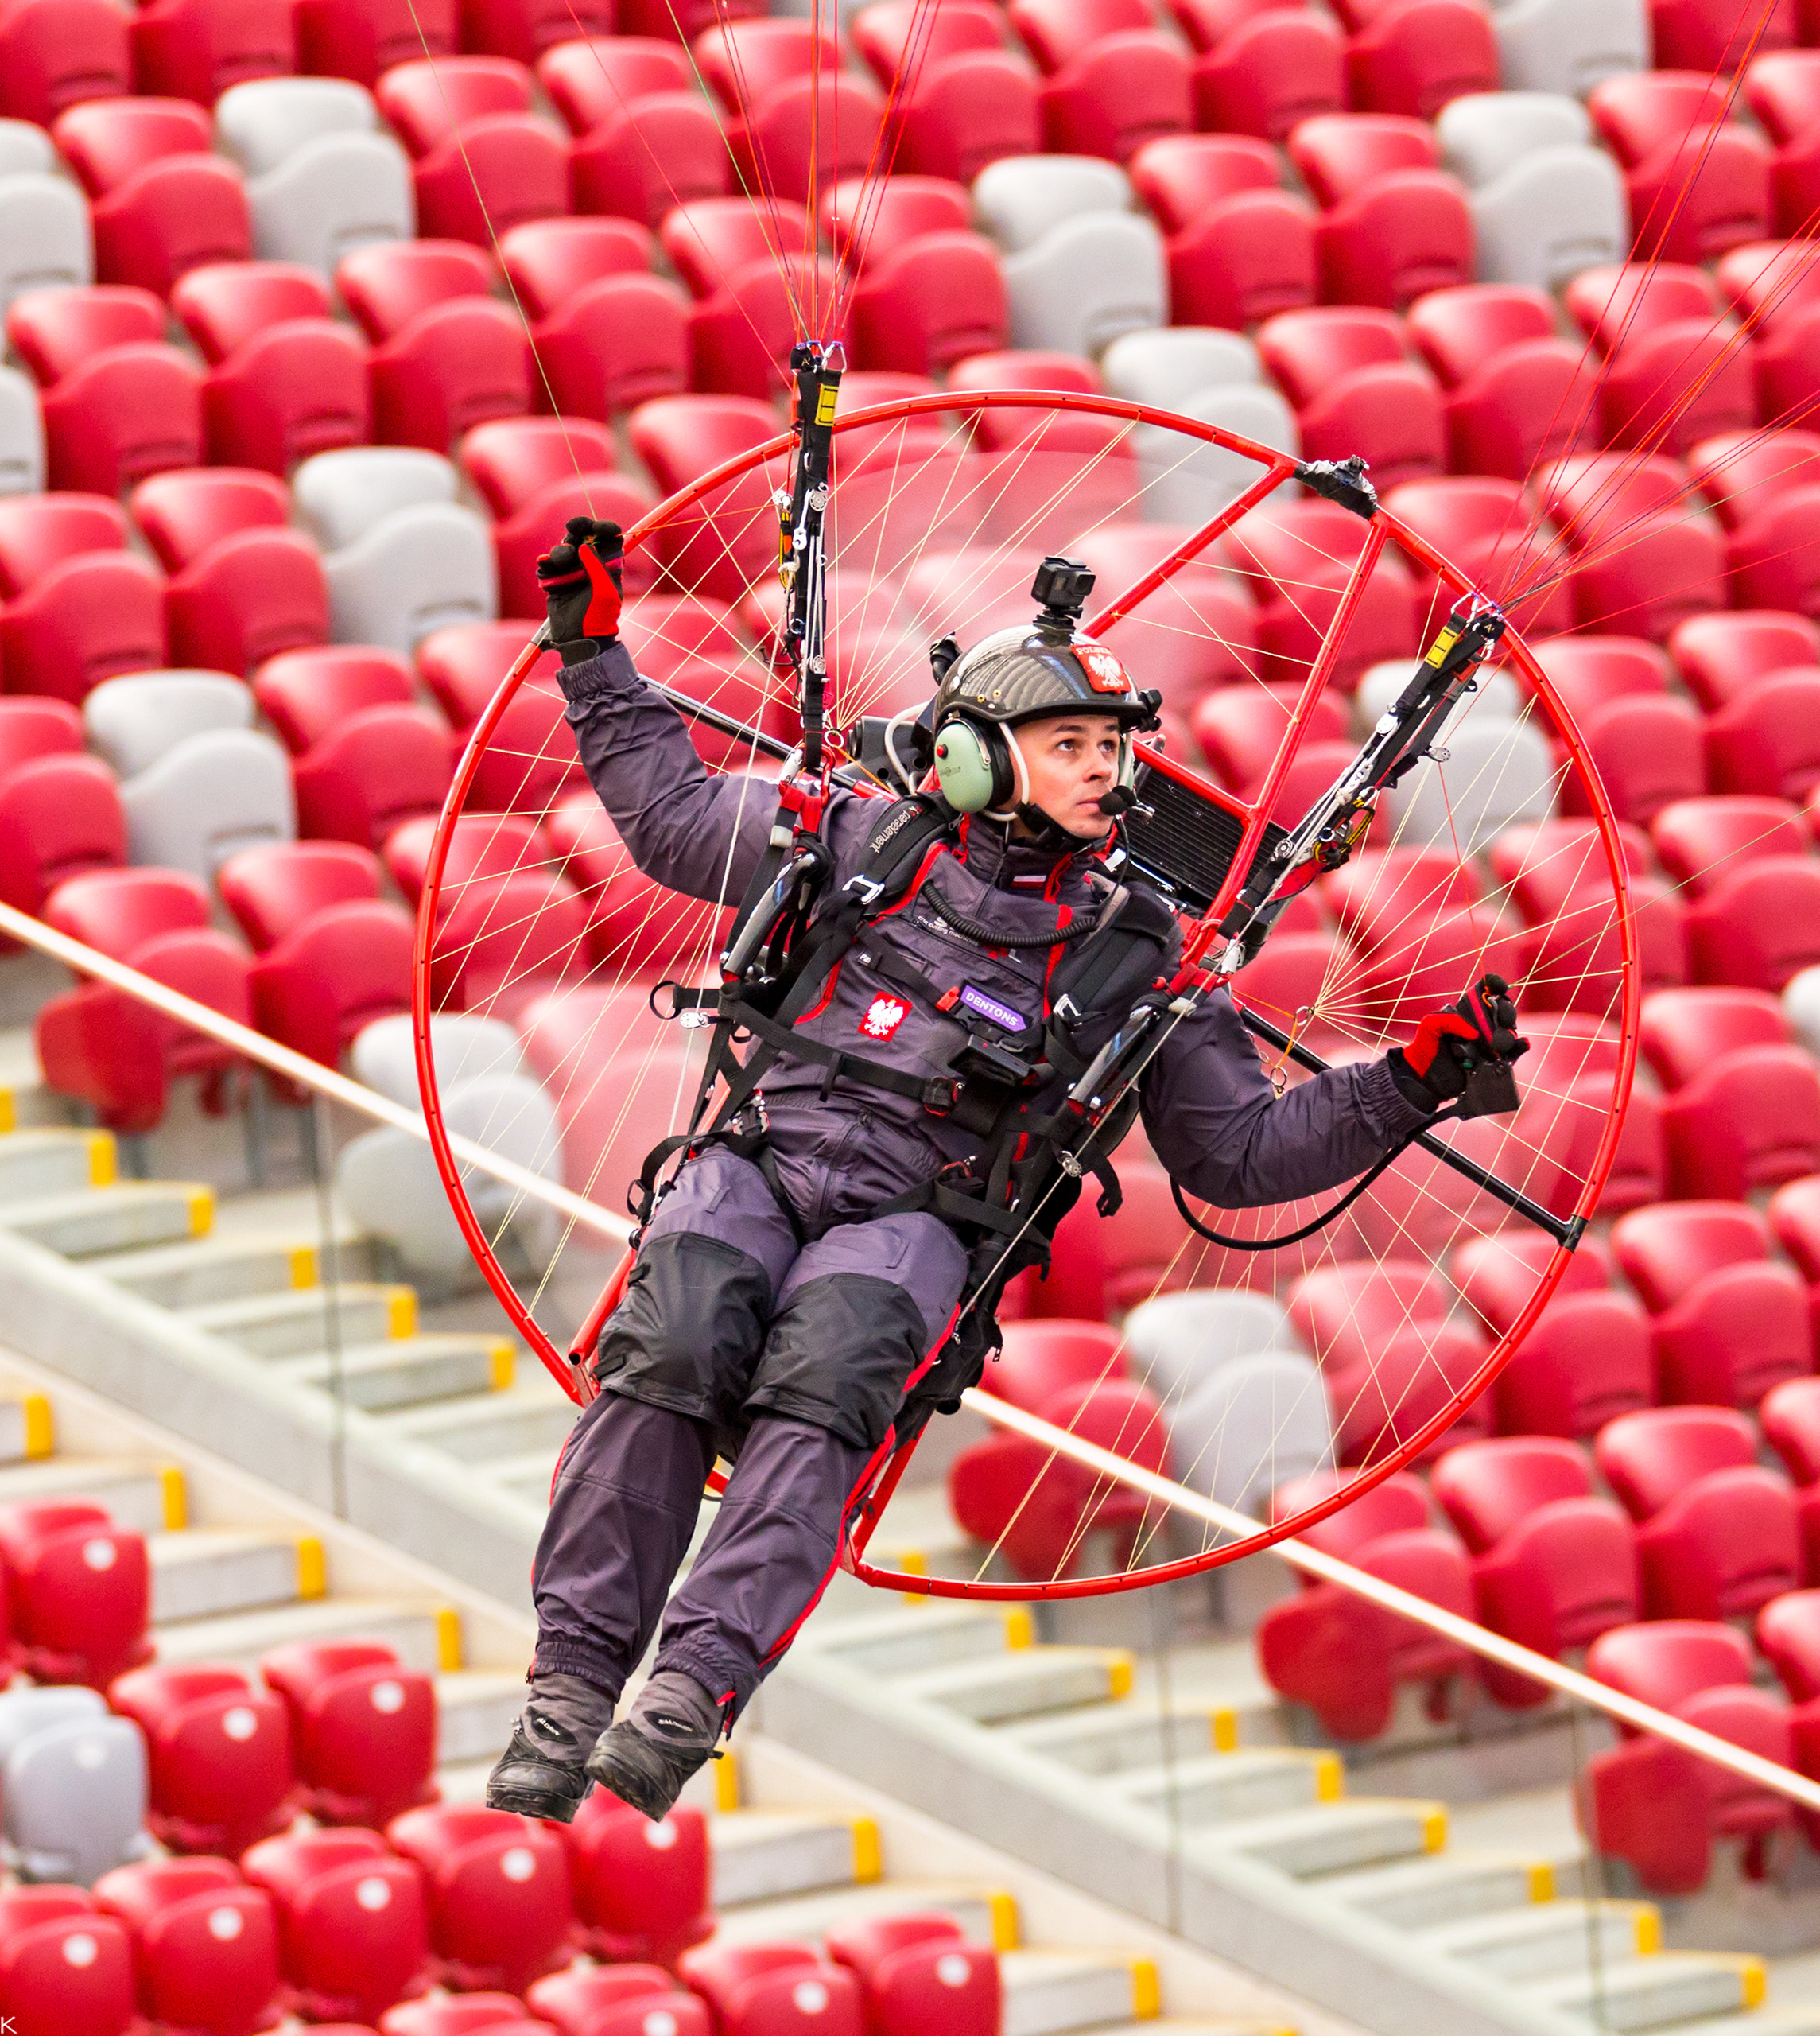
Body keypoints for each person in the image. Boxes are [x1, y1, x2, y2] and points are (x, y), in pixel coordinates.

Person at [488, 517, 1532, 1823]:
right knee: (674, 1339)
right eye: (1074, 745)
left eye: (1116, 748)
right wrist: (594, 657)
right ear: (978, 758)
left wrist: (1411, 1082)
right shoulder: (855, 845)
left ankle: (686, 1696)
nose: (1108, 772)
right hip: (758, 1161)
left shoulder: (1137, 948)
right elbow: (670, 817)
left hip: (921, 1217)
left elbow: (1240, 1154)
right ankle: (568, 1695)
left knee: (829, 1382)